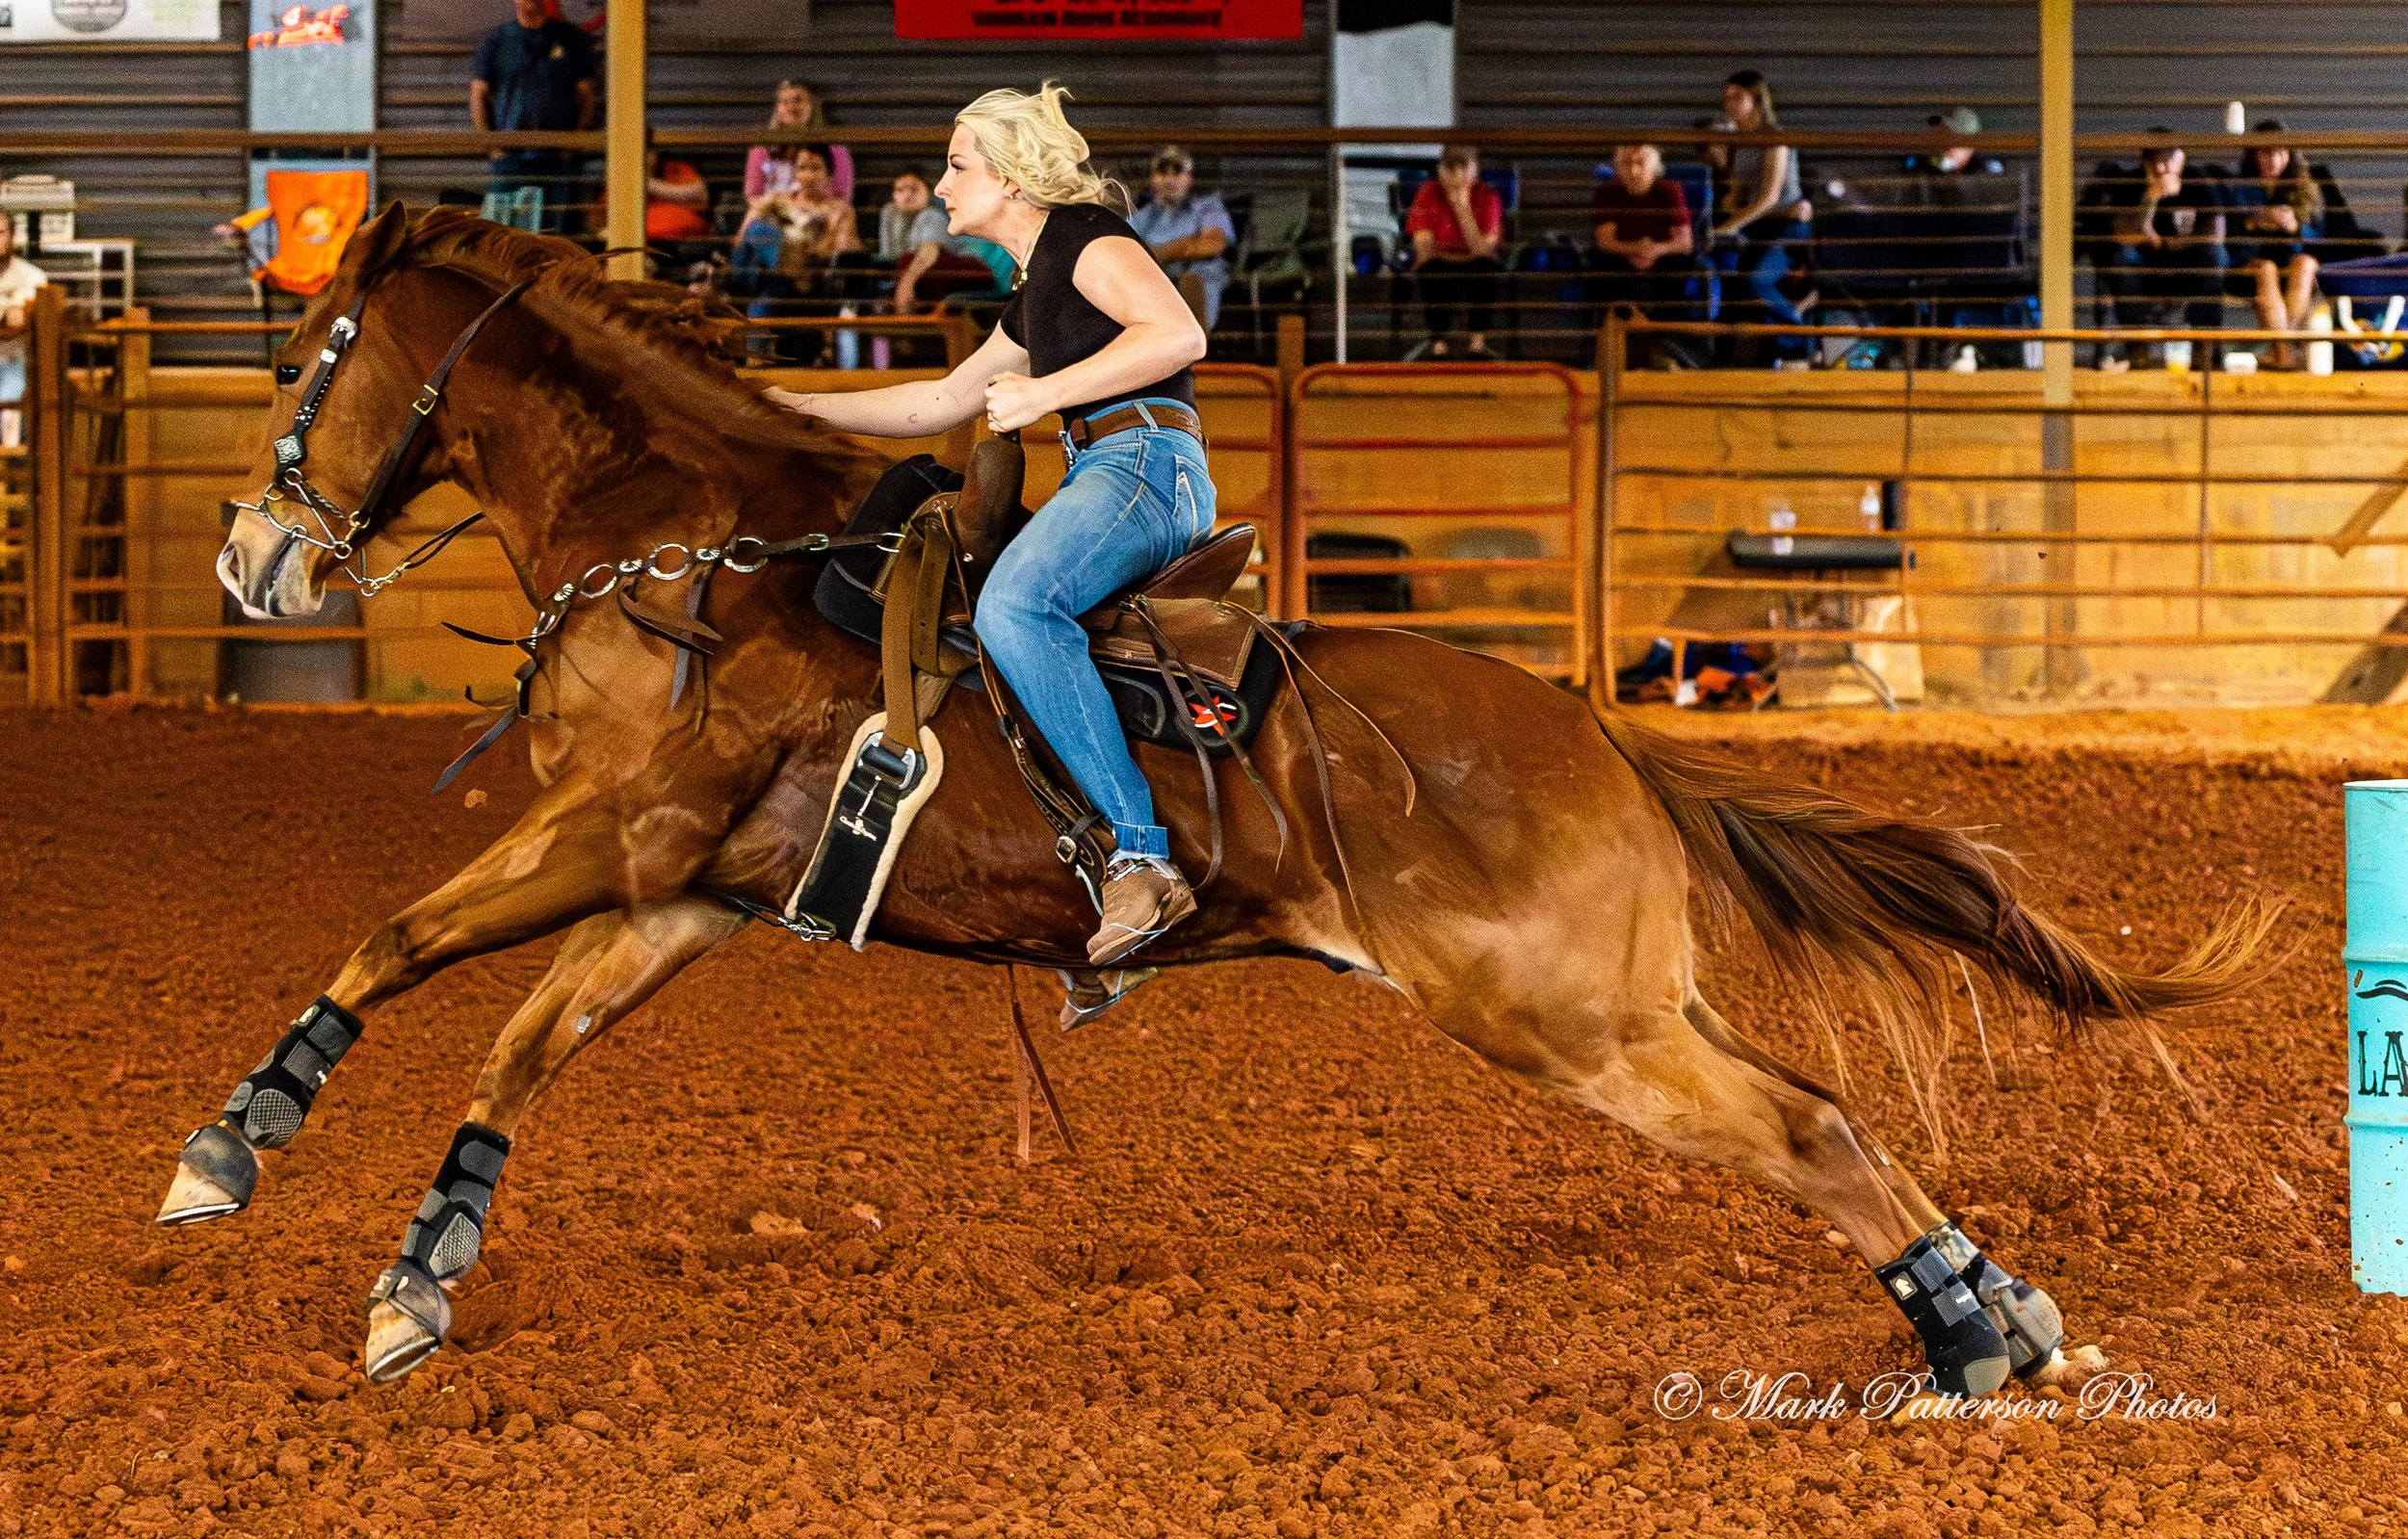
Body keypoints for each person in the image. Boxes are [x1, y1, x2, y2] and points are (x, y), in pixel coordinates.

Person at [761, 83, 1215, 965]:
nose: (940, 186)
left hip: (1145, 466)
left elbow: (1176, 333)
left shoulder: (1088, 239)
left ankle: (1143, 858)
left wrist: (1044, 393)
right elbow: (942, 399)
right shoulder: (1037, 285)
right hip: (1111, 468)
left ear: (1011, 176)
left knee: (1013, 607)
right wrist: (796, 407)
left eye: (957, 165)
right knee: (998, 612)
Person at [2092, 135, 2226, 369]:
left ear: (2181, 159)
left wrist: (2167, 244)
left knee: (2214, 256)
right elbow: (2121, 233)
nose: (2160, 167)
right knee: (2120, 258)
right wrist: (2150, 199)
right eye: (2153, 161)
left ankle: (2204, 345)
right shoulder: (2132, 183)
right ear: (2144, 163)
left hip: (2188, 269)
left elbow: (2215, 233)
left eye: (2167, 160)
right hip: (2146, 271)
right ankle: (2137, 345)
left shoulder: (2198, 179)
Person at [1710, 70, 1814, 365]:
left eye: (1737, 96)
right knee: (1732, 282)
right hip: (1758, 224)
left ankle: (1798, 344)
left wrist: (1728, 227)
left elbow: (1768, 197)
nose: (1730, 103)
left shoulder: (1774, 137)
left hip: (1788, 225)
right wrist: (1729, 203)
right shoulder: (1739, 142)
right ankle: (1728, 360)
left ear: (1756, 99)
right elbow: (1738, 192)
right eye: (1726, 97)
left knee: (1754, 279)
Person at [468, 0, 598, 236]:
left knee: (555, 237)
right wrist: (492, 146)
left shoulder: (571, 39)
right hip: (509, 159)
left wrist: (573, 145)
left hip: (557, 159)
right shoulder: (497, 40)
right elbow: (478, 95)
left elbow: (587, 97)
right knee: (501, 235)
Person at [1588, 143, 1698, 367]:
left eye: (1640, 163)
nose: (1634, 170)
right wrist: (1635, 249)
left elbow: (1684, 242)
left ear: (1655, 166)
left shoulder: (1669, 190)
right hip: (1622, 256)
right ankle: (1617, 351)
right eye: (1627, 164)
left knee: (1681, 270)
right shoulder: (1608, 192)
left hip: (1662, 256)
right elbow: (1606, 240)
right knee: (1604, 269)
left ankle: (1666, 349)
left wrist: (1654, 250)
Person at [2225, 121, 2323, 368]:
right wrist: (2253, 223)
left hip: (2289, 265)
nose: (2274, 160)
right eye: (2266, 152)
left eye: (2281, 152)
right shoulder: (2238, 188)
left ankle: (2282, 350)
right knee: (2266, 268)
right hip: (2248, 267)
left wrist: (2294, 228)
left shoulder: (2303, 188)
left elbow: (2320, 236)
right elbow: (2226, 233)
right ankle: (2283, 352)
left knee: (2307, 263)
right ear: (2254, 155)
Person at [1403, 144, 1505, 359]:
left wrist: (1461, 206)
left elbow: (1484, 252)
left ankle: (1477, 344)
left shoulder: (1488, 197)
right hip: (1439, 263)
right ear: (1441, 171)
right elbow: (1424, 250)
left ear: (1475, 170)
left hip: (1475, 263)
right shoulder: (1428, 192)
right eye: (1451, 168)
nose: (1458, 175)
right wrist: (1461, 254)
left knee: (1485, 268)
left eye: (1464, 168)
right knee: (1433, 269)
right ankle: (1438, 344)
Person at [1127, 146, 1236, 329]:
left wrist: (1151, 254)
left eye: (1177, 172)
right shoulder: (1141, 216)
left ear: (1189, 178)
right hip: (1150, 300)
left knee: (1190, 282)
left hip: (1196, 311)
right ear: (1152, 178)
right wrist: (1186, 247)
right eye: (1162, 172)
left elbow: (1212, 245)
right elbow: (1122, 252)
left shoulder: (1206, 208)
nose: (1169, 180)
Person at [746, 80, 854, 211]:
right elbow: (754, 195)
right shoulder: (761, 151)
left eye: (798, 100)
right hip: (774, 216)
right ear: (777, 109)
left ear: (812, 106)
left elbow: (841, 198)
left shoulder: (836, 151)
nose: (791, 107)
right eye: (784, 102)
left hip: (819, 217)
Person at [0, 218, 46, 405]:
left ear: (12, 237)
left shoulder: (33, 277)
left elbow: (21, 319)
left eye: (0, 233)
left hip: (15, 362)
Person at [1904, 106, 2004, 177]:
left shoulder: (1987, 169)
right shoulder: (1921, 163)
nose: (1942, 142)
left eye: (1949, 135)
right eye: (1940, 133)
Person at [644, 152, 710, 244]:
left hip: (683, 239)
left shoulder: (673, 168)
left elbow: (701, 196)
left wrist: (649, 184)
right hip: (646, 238)